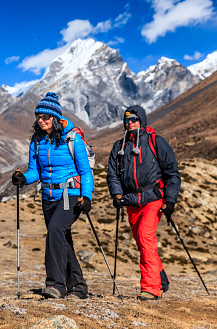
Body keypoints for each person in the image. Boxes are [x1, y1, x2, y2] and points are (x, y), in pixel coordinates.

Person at [12, 92, 93, 299]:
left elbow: (85, 171)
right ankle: (78, 287)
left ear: (55, 118)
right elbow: (35, 171)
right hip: (47, 195)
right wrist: (24, 178)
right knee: (62, 239)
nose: (41, 121)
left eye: (45, 117)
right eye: (38, 117)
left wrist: (87, 197)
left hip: (70, 194)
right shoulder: (37, 141)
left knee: (55, 231)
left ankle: (56, 284)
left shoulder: (72, 139)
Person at [107, 105, 181, 301]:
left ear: (142, 120)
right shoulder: (119, 146)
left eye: (134, 119)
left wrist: (170, 200)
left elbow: (172, 173)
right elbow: (112, 175)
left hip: (153, 198)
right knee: (142, 242)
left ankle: (150, 288)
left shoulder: (156, 142)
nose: (130, 123)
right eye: (127, 120)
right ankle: (161, 279)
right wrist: (116, 195)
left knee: (145, 236)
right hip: (131, 200)